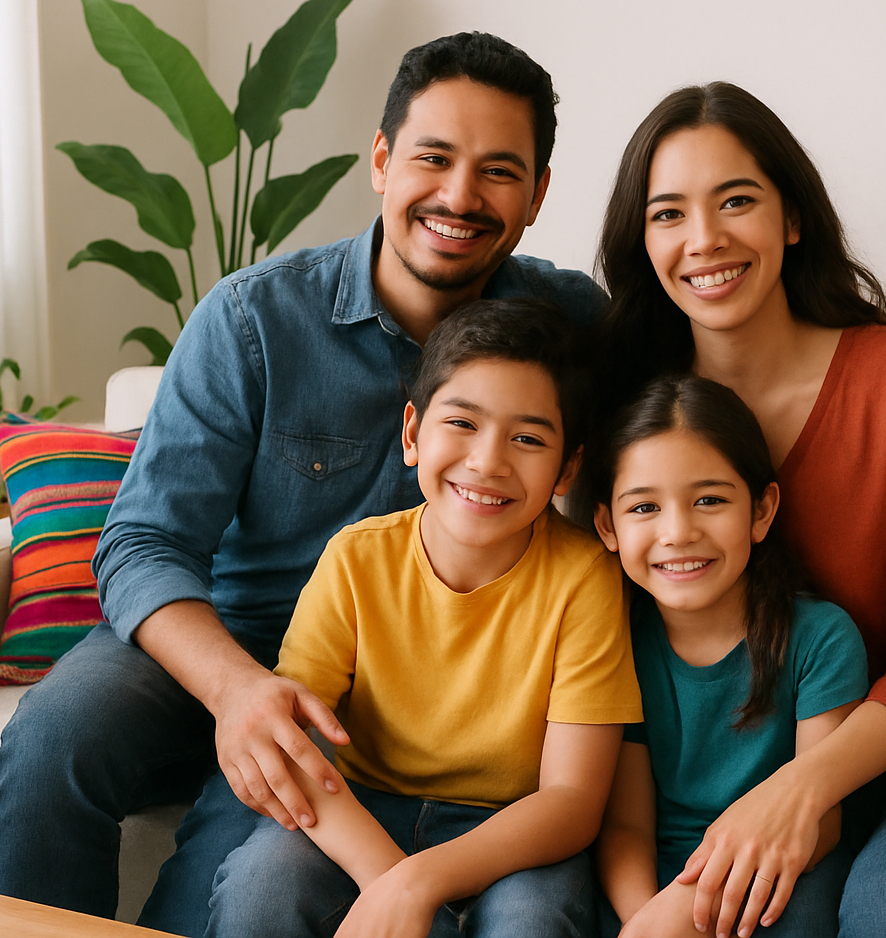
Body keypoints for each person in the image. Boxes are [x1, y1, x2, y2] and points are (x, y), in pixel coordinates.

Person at [0, 32, 602, 937]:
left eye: (499, 171)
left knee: (231, 879)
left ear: (538, 194)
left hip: (403, 675)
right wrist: (237, 689)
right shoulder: (254, 320)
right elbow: (144, 541)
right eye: (434, 157)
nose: (461, 196)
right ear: (383, 160)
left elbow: (696, 410)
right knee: (52, 737)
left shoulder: (569, 322)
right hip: (229, 637)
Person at [594, 82, 886, 938]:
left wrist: (795, 792)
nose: (703, 239)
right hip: (742, 771)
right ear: (643, 240)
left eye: (736, 200)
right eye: (668, 214)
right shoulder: (632, 411)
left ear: (792, 218)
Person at [206, 297, 640, 938]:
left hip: (512, 826)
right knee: (259, 889)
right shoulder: (356, 559)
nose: (488, 461)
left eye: (527, 438)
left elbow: (573, 802)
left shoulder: (586, 577)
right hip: (359, 810)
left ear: (567, 469)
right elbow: (293, 746)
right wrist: (389, 874)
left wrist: (420, 881)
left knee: (531, 923)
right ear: (412, 434)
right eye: (462, 424)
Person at [591, 374, 868, 938]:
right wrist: (647, 920)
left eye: (710, 500)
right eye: (644, 507)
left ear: (761, 511)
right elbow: (625, 828)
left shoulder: (821, 638)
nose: (678, 532)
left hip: (780, 873)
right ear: (607, 526)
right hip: (649, 884)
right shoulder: (615, 641)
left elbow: (823, 821)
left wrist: (678, 921)